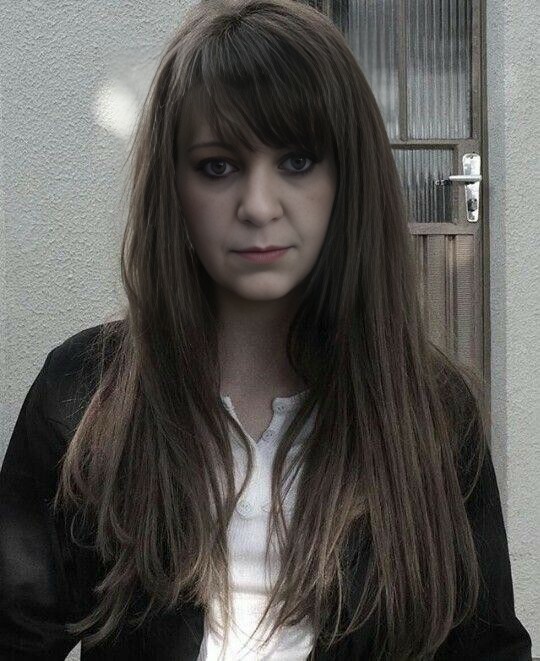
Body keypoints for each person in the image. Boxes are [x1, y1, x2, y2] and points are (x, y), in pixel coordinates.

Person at [0, 0, 533, 659]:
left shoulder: (432, 412)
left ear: (349, 179)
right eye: (217, 166)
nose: (257, 206)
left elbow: (485, 646)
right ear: (173, 187)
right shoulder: (86, 396)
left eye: (297, 161)